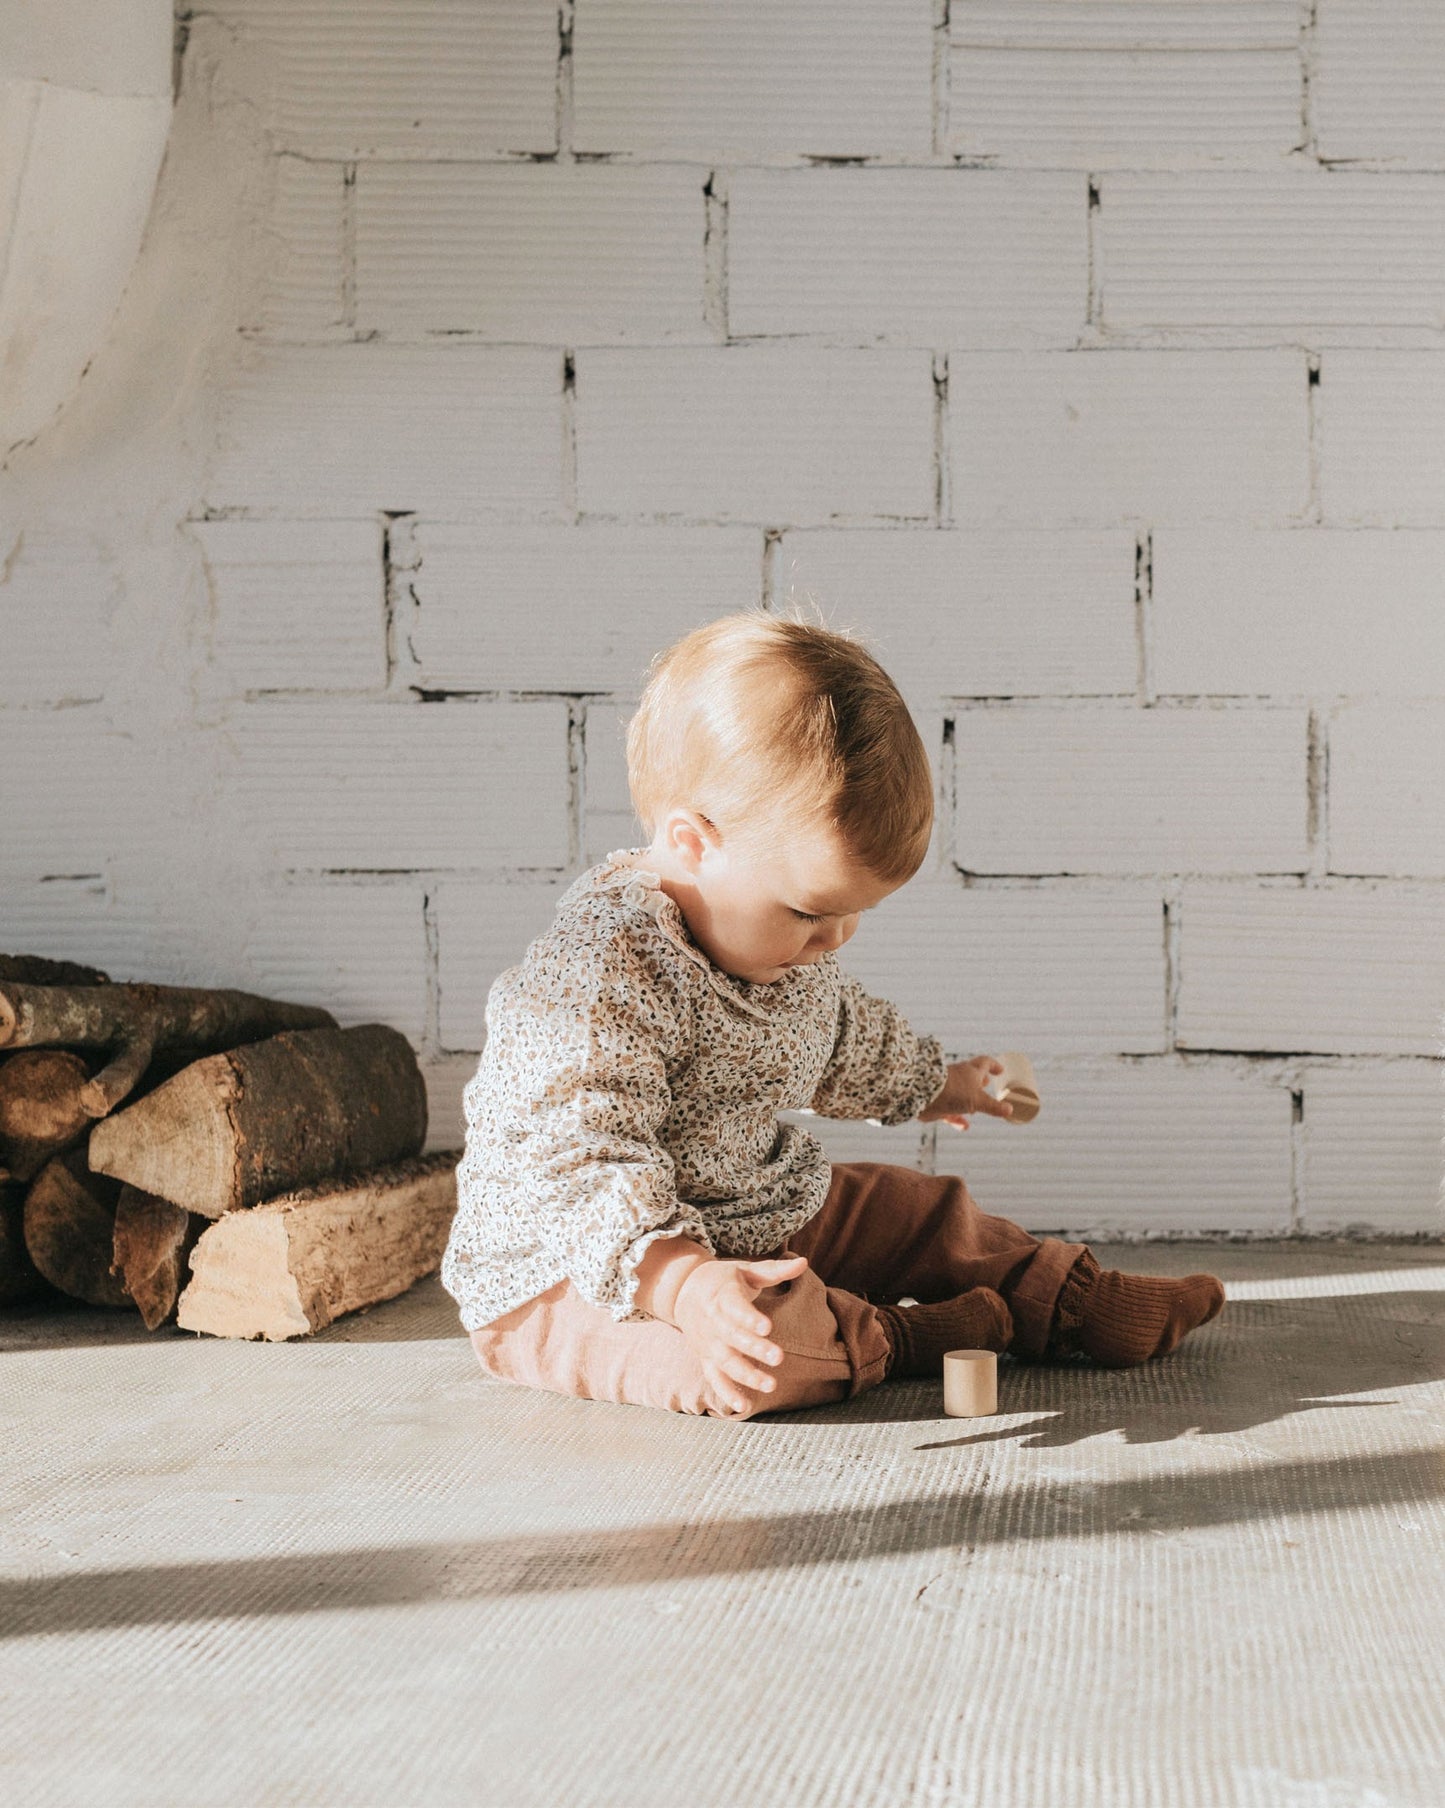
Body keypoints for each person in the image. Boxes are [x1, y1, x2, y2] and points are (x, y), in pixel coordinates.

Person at [441, 607, 1224, 1419]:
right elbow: (583, 1163)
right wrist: (684, 1283)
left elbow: (838, 1036)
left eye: (854, 915)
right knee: (755, 1358)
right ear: (694, 842)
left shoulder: (770, 940)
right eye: (811, 913)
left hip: (746, 1210)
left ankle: (1069, 1299)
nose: (833, 939)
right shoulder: (598, 977)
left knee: (911, 1211)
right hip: (582, 1276)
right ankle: (895, 1338)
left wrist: (942, 1083)